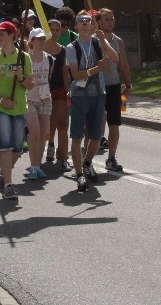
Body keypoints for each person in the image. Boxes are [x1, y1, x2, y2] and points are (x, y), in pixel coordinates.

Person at [65, 11, 119, 191]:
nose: (85, 22)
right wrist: (96, 69)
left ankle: (87, 162)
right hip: (80, 96)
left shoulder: (98, 42)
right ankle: (79, 174)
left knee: (95, 136)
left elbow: (115, 59)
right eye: (80, 20)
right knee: (77, 136)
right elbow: (76, 75)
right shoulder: (72, 47)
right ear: (76, 27)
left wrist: (103, 40)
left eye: (88, 20)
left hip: (98, 94)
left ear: (93, 25)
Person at [0, 20, 33, 200]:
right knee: (5, 145)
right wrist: (2, 100)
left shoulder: (24, 58)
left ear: (12, 35)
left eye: (2, 33)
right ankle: (9, 185)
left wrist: (21, 77)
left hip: (18, 107)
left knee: (17, 148)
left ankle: (4, 173)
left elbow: (30, 85)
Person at [95, 8, 132, 171]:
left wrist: (128, 85)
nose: (111, 22)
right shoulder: (93, 39)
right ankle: (87, 155)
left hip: (114, 85)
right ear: (99, 22)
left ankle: (111, 158)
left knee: (115, 123)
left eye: (112, 19)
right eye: (107, 20)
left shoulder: (118, 41)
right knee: (94, 122)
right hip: (96, 86)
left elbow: (123, 64)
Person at [25, 28, 53, 179]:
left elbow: (49, 78)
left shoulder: (49, 58)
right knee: (34, 132)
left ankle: (37, 165)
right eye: (38, 39)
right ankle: (32, 165)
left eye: (43, 39)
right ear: (32, 41)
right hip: (29, 98)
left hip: (45, 98)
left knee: (43, 134)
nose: (42, 41)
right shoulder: (25, 58)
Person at [44, 19, 70, 171]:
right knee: (48, 123)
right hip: (43, 91)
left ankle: (64, 157)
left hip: (59, 89)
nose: (53, 32)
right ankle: (50, 145)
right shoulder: (40, 48)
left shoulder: (64, 50)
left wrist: (68, 91)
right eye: (51, 29)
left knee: (62, 123)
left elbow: (65, 73)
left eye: (56, 30)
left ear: (61, 32)